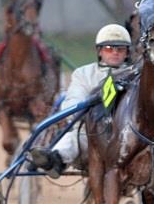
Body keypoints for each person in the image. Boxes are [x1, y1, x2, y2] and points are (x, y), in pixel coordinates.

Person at [29, 24, 133, 179]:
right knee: (74, 135)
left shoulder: (136, 74)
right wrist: (84, 110)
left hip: (128, 135)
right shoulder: (83, 74)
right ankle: (55, 160)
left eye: (120, 49)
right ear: (99, 51)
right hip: (92, 133)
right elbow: (73, 100)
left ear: (127, 53)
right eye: (109, 48)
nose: (115, 52)